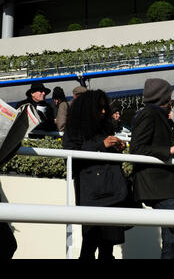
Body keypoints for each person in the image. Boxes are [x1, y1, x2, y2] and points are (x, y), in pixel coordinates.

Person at [130, 78, 174, 259]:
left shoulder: (157, 114)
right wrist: (170, 149)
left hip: (167, 187)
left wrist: (172, 140)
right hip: (159, 188)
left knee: (171, 241)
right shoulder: (149, 114)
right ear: (163, 96)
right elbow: (136, 149)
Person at [63, 89, 129, 260]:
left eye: (104, 107)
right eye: (99, 108)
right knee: (89, 245)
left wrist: (116, 147)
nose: (103, 111)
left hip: (112, 193)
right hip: (92, 194)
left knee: (107, 248)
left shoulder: (104, 127)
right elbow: (71, 158)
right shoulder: (74, 130)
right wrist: (102, 144)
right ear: (87, 108)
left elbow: (106, 155)